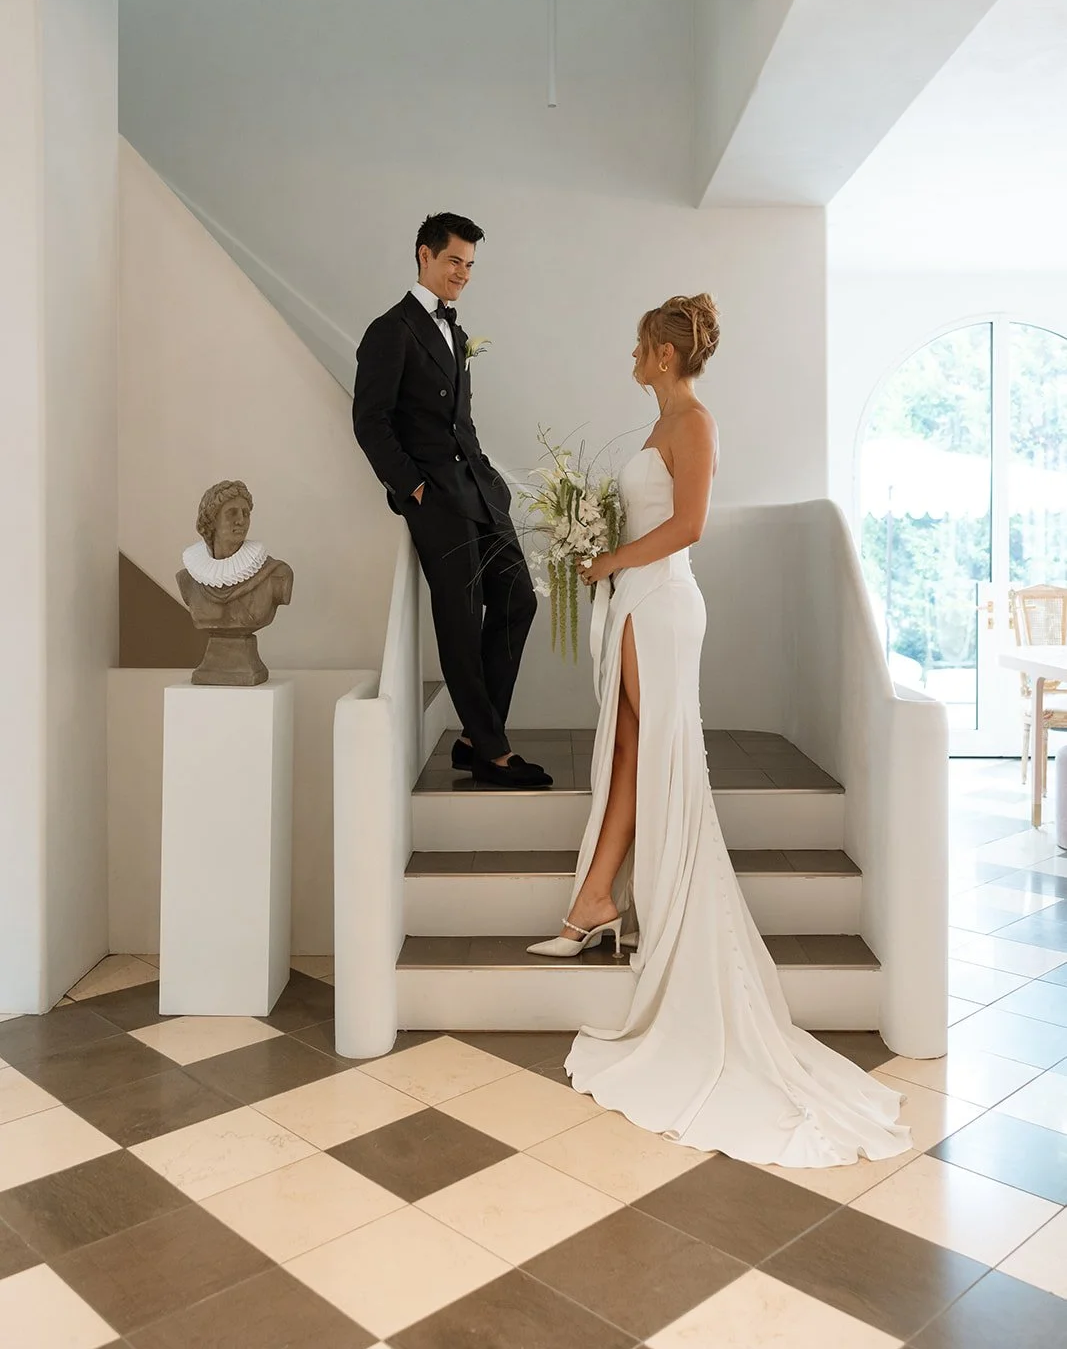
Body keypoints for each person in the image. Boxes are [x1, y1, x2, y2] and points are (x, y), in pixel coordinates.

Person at [528, 294, 911, 1167]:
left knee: (658, 756)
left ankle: (612, 906)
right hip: (639, 604)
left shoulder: (694, 422)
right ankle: (594, 901)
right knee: (631, 747)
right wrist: (602, 557)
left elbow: (689, 526)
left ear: (665, 353)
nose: (632, 352)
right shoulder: (662, 421)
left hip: (661, 606)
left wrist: (607, 559)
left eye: (640, 344)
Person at [353, 213, 550, 789]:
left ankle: (473, 737)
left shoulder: (455, 332)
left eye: (469, 264)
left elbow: (462, 422)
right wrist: (413, 488)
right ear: (424, 256)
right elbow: (370, 422)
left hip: (479, 491)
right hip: (435, 498)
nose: (462, 273)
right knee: (461, 623)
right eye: (453, 261)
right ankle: (492, 752)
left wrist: (492, 480)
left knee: (518, 599)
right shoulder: (391, 330)